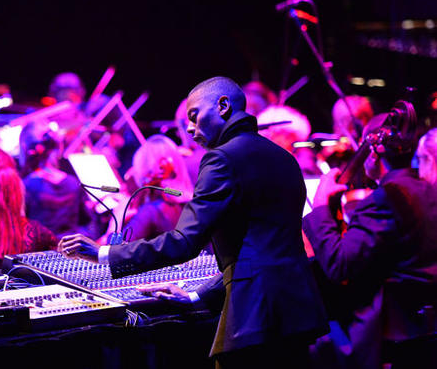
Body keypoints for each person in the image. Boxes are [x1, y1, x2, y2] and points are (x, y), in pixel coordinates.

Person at [59, 77, 328, 368]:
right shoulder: (283, 158)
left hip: (255, 317)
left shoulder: (222, 159)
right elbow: (256, 251)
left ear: (223, 106)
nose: (188, 128)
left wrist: (103, 254)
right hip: (298, 311)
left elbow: (184, 242)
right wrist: (196, 296)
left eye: (194, 115)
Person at [303, 109, 437, 368]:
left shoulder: (386, 198)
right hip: (423, 325)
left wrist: (321, 207)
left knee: (308, 334)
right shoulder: (427, 190)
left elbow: (339, 266)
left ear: (374, 153)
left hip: (388, 332)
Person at [19, 121, 97, 239]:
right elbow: (85, 221)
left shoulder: (25, 186)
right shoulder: (73, 182)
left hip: (41, 253)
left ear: (26, 149)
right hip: (72, 251)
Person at [123, 134, 193, 242]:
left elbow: (115, 250)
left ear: (146, 171)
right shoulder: (193, 203)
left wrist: (115, 222)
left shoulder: (151, 212)